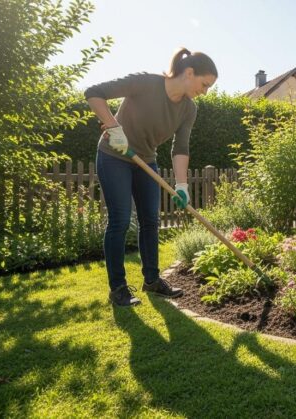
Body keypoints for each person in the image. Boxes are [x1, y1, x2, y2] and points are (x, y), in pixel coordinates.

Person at [85, 48, 218, 307]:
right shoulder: (146, 82)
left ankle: (152, 281)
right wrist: (114, 127)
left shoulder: (189, 109)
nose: (205, 91)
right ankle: (118, 289)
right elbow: (93, 92)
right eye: (204, 84)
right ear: (189, 73)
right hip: (114, 157)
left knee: (151, 221)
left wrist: (182, 186)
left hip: (145, 160)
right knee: (120, 220)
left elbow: (180, 148)